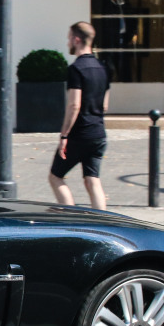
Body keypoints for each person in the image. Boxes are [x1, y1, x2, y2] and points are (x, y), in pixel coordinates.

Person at [49, 21, 111, 211]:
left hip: (79, 134)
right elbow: (105, 105)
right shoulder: (104, 68)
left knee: (55, 177)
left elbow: (74, 104)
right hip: (98, 133)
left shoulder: (76, 69)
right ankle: (103, 223)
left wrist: (64, 134)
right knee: (93, 180)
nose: (68, 42)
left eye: (69, 38)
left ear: (76, 39)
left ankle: (71, 218)